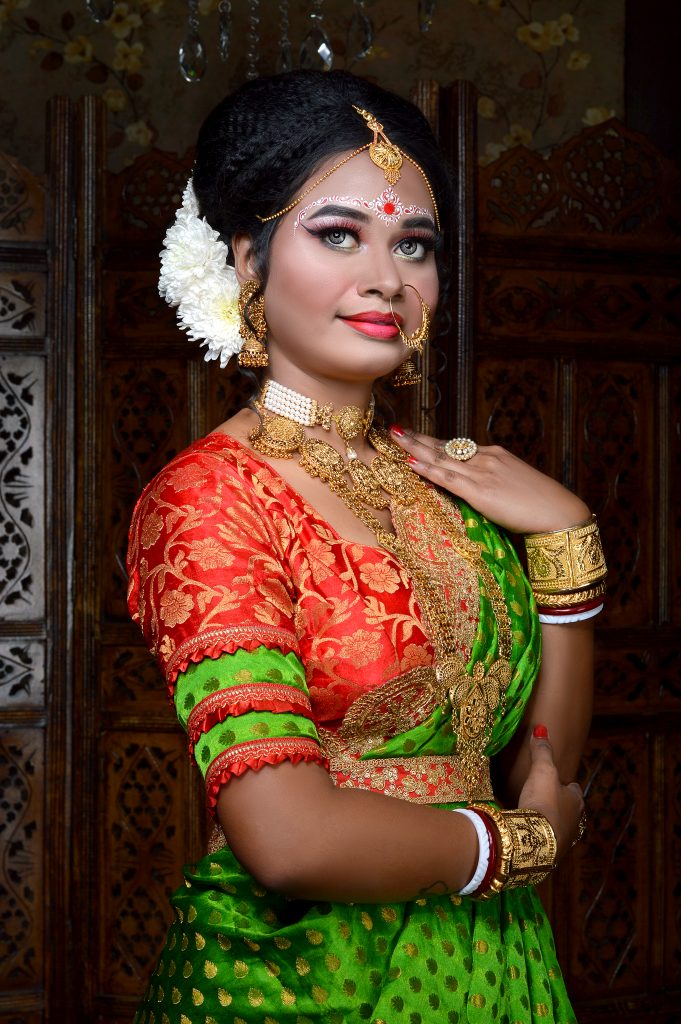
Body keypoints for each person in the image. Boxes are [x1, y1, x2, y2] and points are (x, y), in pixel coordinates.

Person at [127, 69, 606, 1024]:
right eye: (339, 234)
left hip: (493, 964)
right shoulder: (211, 497)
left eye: (413, 244)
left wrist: (567, 543)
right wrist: (518, 847)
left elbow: (533, 771)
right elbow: (289, 840)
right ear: (248, 258)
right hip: (305, 980)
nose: (387, 278)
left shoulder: (454, 483)